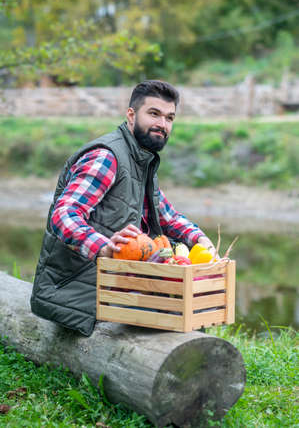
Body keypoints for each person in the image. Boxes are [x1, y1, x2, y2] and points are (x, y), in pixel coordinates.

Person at [31, 80, 217, 336]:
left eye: (169, 117)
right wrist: (104, 248)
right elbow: (63, 215)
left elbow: (168, 217)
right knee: (176, 316)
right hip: (77, 289)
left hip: (115, 284)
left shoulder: (141, 162)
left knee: (188, 309)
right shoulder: (106, 156)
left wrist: (201, 240)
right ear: (131, 115)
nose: (162, 124)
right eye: (154, 113)